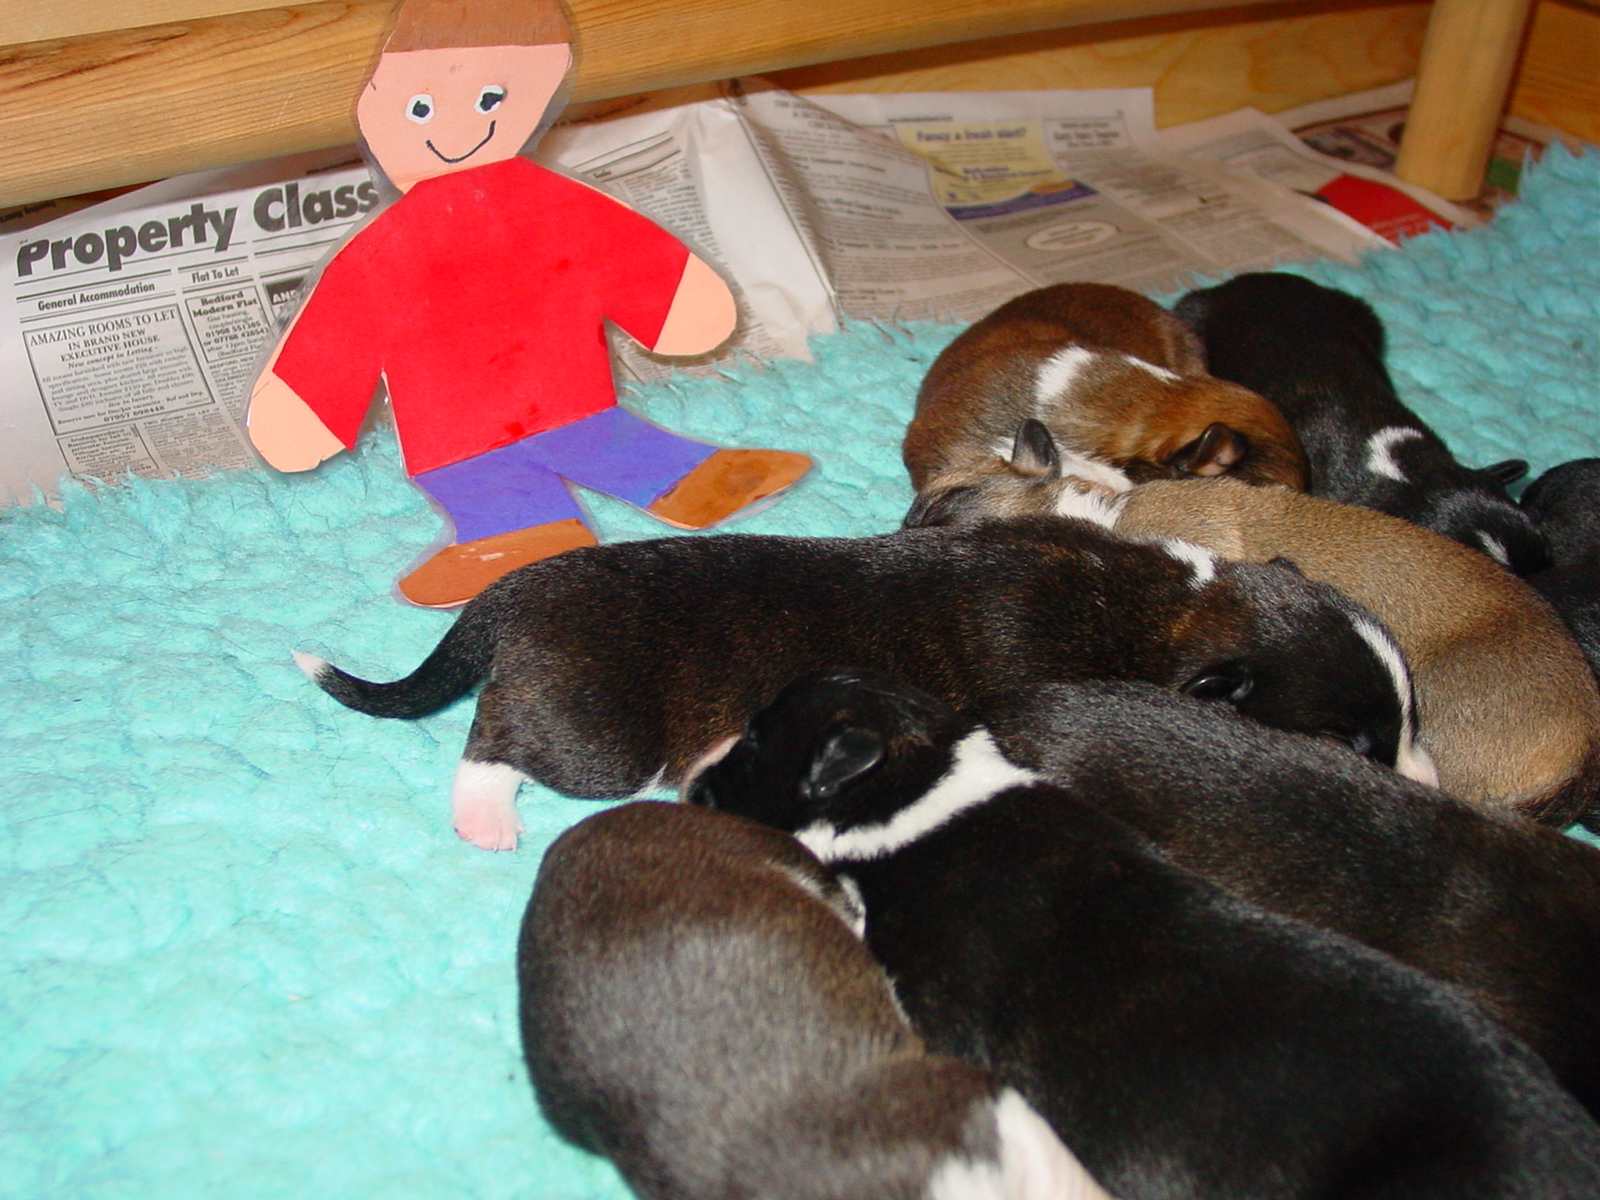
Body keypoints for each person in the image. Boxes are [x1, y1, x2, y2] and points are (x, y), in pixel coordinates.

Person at [247, 0, 810, 607]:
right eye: (421, 109)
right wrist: (307, 406)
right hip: (457, 443)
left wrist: (675, 304)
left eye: (489, 99)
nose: (456, 132)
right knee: (493, 482)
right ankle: (517, 532)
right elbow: (342, 325)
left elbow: (621, 253)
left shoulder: (554, 204)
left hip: (579, 406)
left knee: (604, 440)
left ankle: (677, 480)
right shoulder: (382, 251)